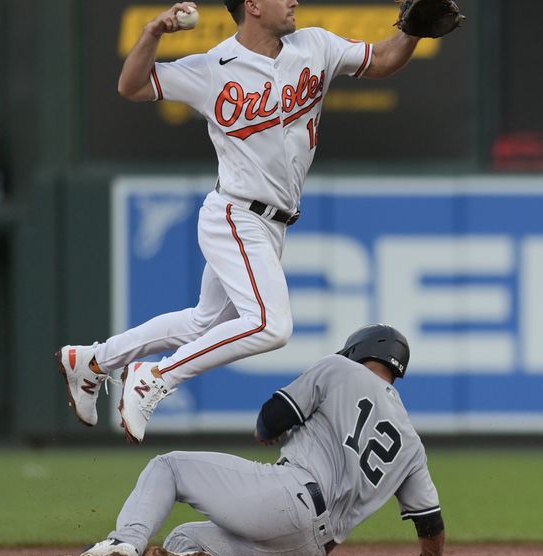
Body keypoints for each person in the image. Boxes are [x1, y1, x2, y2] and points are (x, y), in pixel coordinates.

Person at [56, 1, 462, 444]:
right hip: (235, 213)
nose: (293, 1)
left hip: (273, 224)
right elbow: (132, 86)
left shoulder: (316, 46)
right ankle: (155, 376)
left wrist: (411, 33)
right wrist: (152, 33)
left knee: (202, 323)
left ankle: (92, 361)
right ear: (252, 6)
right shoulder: (213, 68)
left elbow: (382, 60)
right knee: (271, 325)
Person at [80, 324, 475, 556]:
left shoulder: (340, 369)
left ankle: (125, 543)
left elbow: (272, 417)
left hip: (289, 497)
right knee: (183, 538)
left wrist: (271, 429)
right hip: (307, 554)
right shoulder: (411, 442)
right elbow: (430, 520)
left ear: (356, 351)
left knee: (169, 468)